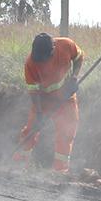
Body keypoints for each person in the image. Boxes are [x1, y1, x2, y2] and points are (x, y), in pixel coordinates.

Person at [15, 32, 83, 174]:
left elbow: (79, 57)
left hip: (66, 98)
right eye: (38, 58)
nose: (41, 62)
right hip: (43, 100)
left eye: (43, 59)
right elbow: (33, 92)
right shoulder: (30, 63)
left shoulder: (66, 45)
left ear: (53, 49)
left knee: (67, 132)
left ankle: (59, 171)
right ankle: (18, 165)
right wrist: (39, 113)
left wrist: (74, 78)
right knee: (31, 131)